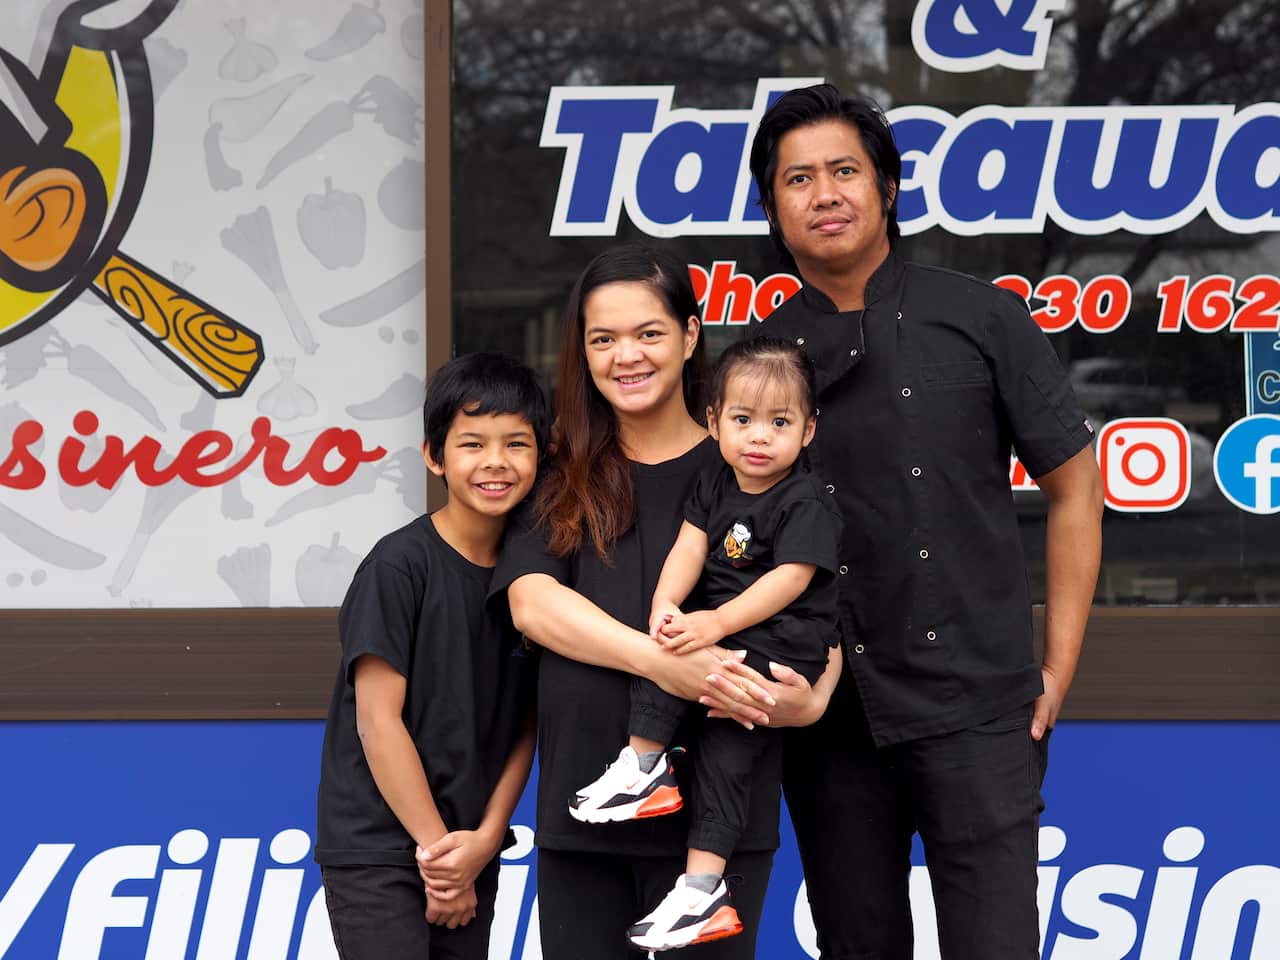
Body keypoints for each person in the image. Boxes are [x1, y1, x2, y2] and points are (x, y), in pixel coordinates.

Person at [743, 84, 1105, 959]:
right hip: (831, 715)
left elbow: (1075, 490)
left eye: (844, 171)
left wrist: (1053, 669)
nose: (825, 194)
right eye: (798, 179)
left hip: (980, 706)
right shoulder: (761, 357)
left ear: (888, 188)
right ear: (773, 209)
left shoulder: (982, 316)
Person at [493, 245, 844, 960]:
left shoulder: (758, 465)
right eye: (603, 339)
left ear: (690, 337)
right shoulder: (563, 473)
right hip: (584, 813)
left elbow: (825, 614)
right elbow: (533, 604)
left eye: (649, 333)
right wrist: (670, 665)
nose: (627, 355)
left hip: (715, 836)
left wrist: (811, 700)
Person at [568, 337, 843, 951]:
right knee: (682, 680)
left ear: (808, 431)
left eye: (781, 422)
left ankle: (674, 832)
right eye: (744, 420)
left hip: (781, 644)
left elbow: (790, 578)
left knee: (705, 709)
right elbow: (690, 546)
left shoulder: (805, 498)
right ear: (716, 422)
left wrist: (712, 625)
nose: (760, 437)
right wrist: (666, 606)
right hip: (729, 630)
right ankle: (675, 833)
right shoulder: (717, 481)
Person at [314, 352, 550, 960]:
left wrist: (486, 841)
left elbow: (528, 722)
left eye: (516, 444)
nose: (495, 462)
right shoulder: (399, 566)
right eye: (472, 443)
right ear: (434, 455)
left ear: (541, 454)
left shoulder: (535, 583)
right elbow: (377, 720)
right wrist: (439, 855)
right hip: (382, 850)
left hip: (473, 848)